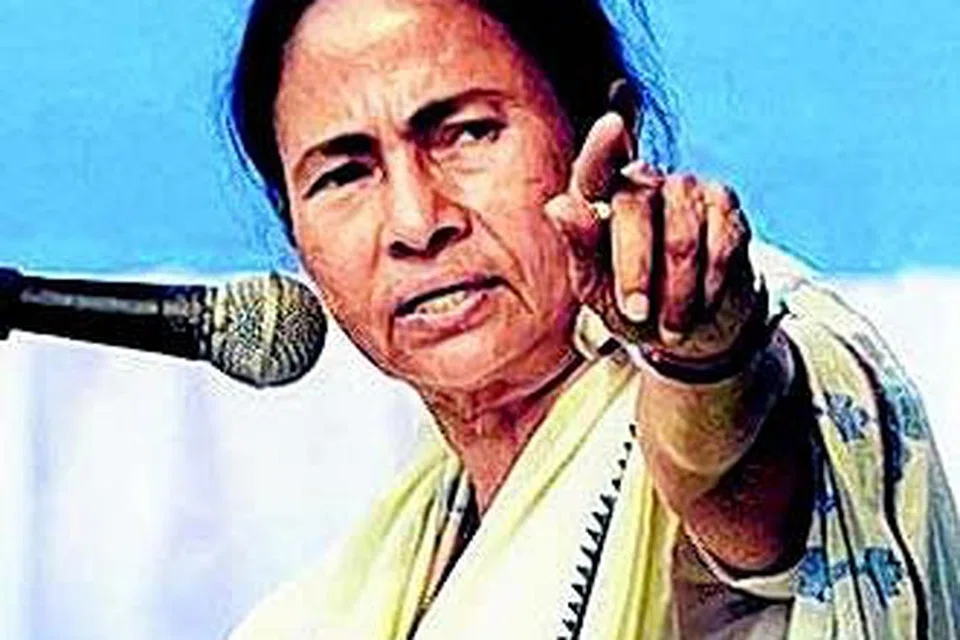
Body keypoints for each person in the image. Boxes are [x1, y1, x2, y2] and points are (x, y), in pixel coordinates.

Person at [225, 0, 960, 637]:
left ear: (606, 133)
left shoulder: (749, 354)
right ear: (294, 232)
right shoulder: (342, 598)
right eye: (344, 174)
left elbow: (738, 470)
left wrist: (708, 358)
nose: (416, 223)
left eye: (468, 133)